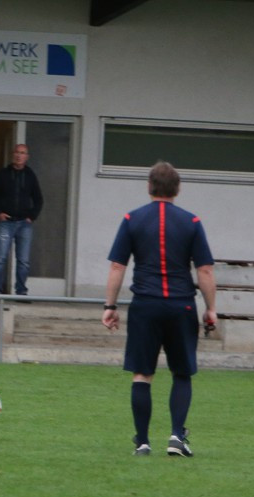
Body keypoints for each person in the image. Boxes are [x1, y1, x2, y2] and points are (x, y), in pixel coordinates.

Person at [102, 161, 216, 458]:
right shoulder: (191, 222)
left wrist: (110, 305)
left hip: (145, 305)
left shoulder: (132, 219)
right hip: (181, 305)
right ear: (177, 189)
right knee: (181, 373)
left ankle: (142, 441)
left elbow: (117, 265)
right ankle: (177, 436)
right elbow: (204, 270)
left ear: (149, 187)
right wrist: (211, 309)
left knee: (142, 374)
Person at [0, 143, 44, 295]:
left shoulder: (30, 175)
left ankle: (21, 291)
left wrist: (32, 216)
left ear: (27, 157)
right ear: (13, 155)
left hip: (24, 224)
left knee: (23, 261)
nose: (19, 155)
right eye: (17, 152)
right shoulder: (3, 174)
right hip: (5, 222)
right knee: (0, 258)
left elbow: (38, 199)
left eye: (23, 153)